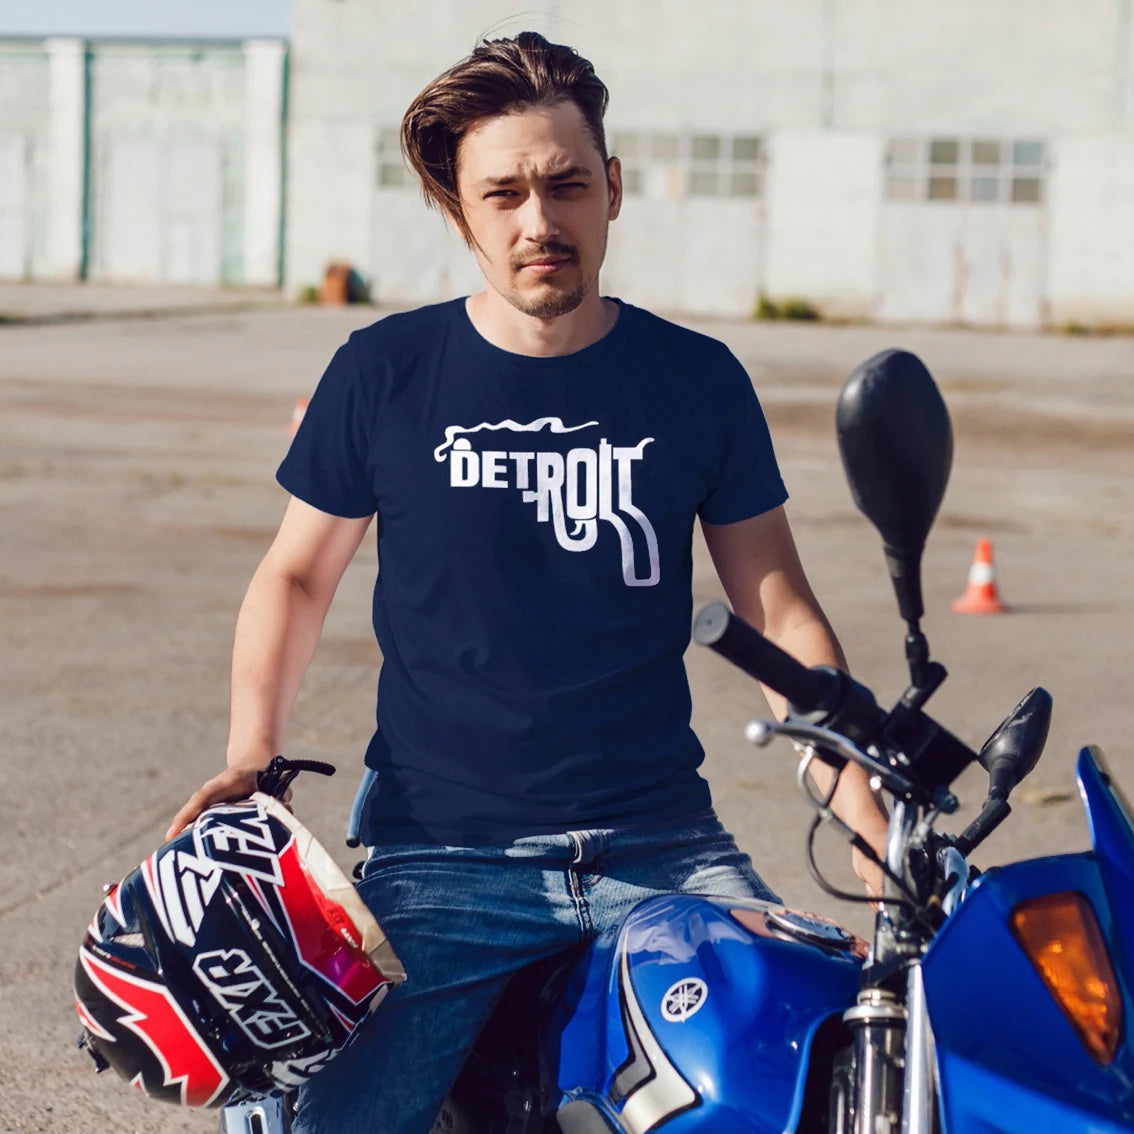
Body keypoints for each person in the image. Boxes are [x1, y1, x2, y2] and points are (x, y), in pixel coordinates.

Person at [168, 31, 888, 1134]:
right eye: (501, 193)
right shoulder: (386, 372)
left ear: (611, 191)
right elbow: (297, 577)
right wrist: (250, 756)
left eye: (565, 185)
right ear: (461, 215)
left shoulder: (695, 379)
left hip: (664, 847)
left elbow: (775, 608)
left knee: (818, 1068)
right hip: (443, 856)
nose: (537, 221)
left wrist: (866, 814)